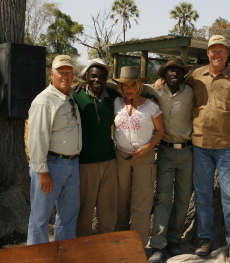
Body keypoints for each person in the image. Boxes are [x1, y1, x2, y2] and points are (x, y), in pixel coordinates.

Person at [154, 35, 230, 263]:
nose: (216, 55)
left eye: (220, 51)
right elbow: (174, 84)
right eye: (212, 51)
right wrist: (159, 82)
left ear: (227, 53)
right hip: (199, 146)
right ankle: (205, 239)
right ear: (207, 53)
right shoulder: (195, 77)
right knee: (202, 196)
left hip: (229, 147)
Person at [27, 55, 82, 245]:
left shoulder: (70, 97)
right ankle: (36, 259)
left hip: (72, 165)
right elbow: (36, 138)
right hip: (51, 165)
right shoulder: (44, 101)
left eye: (69, 72)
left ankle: (62, 257)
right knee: (40, 219)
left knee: (67, 218)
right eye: (61, 72)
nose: (65, 76)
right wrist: (42, 172)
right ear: (52, 74)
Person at [145, 58, 194, 263]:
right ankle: (158, 245)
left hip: (187, 152)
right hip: (164, 151)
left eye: (178, 71)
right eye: (170, 71)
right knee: (163, 199)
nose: (174, 74)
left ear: (183, 75)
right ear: (163, 75)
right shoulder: (155, 92)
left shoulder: (191, 92)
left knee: (183, 199)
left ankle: (174, 240)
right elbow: (127, 86)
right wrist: (83, 81)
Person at [113, 66, 165, 247]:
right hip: (121, 157)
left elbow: (160, 131)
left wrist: (149, 146)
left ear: (139, 85)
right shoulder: (117, 103)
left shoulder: (151, 106)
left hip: (144, 159)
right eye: (125, 86)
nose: (129, 89)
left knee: (141, 203)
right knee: (120, 201)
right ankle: (119, 243)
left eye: (132, 85)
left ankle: (138, 246)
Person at [73, 58, 120, 237]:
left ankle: (107, 243)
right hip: (85, 162)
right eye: (93, 76)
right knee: (85, 208)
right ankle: (85, 245)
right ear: (86, 76)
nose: (97, 80)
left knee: (108, 207)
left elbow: (135, 90)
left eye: (102, 77)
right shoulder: (76, 95)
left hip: (109, 160)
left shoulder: (113, 96)